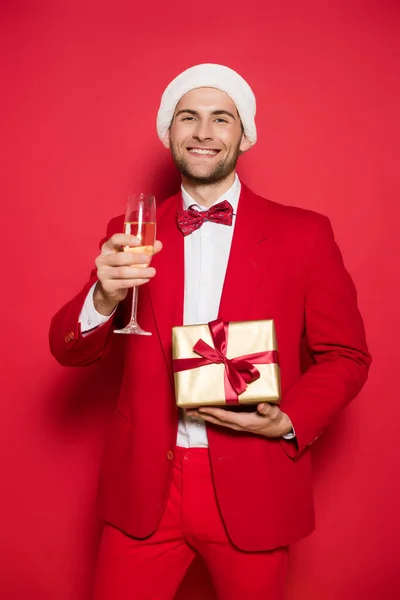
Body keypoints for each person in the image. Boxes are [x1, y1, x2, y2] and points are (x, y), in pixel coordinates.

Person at [49, 64, 371, 600]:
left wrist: (289, 420)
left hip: (254, 481)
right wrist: (103, 297)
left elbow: (346, 354)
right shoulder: (131, 232)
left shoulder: (305, 233)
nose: (203, 131)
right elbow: (69, 351)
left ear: (243, 135)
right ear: (167, 132)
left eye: (221, 118)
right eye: (188, 117)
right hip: (144, 487)